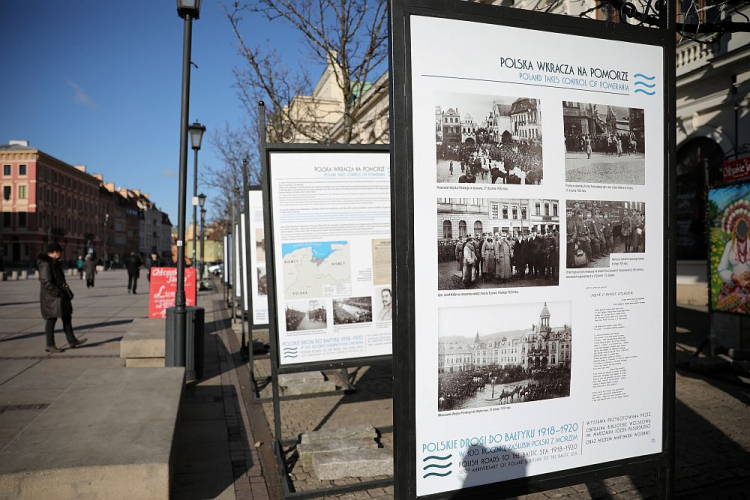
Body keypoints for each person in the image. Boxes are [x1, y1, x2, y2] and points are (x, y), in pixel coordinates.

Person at [38, 243, 87, 353]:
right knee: (51, 319)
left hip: (60, 296)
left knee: (67, 317)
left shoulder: (54, 263)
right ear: (54, 252)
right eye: (59, 251)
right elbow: (46, 282)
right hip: (52, 298)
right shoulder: (45, 263)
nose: (60, 254)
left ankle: (72, 340)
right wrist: (58, 293)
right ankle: (50, 344)